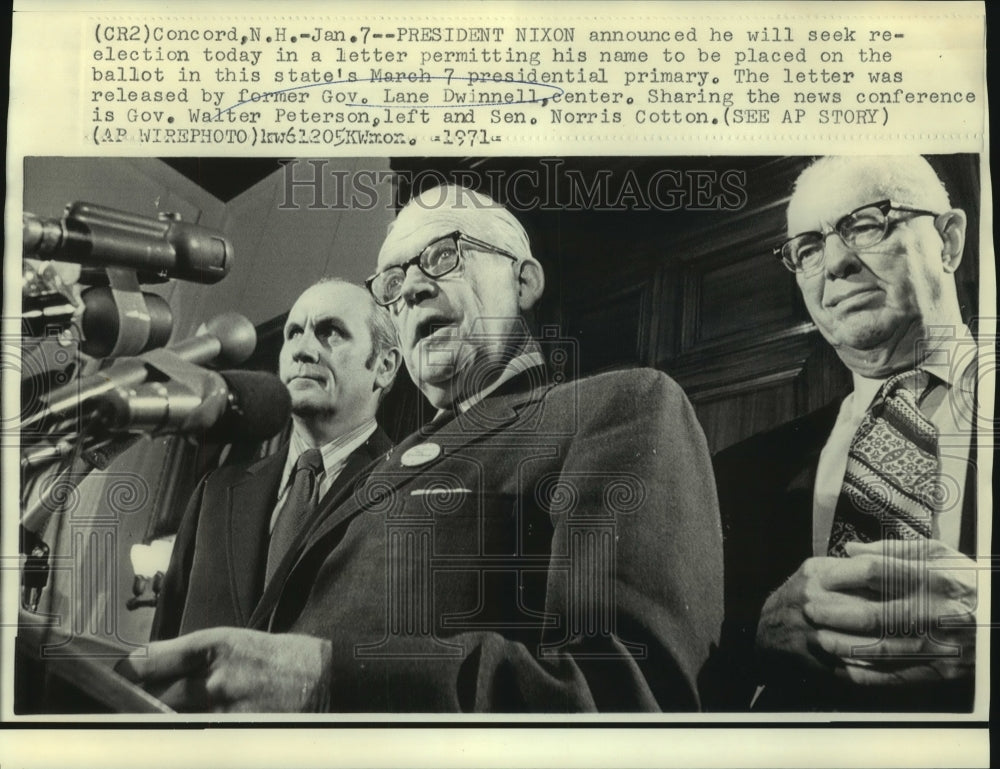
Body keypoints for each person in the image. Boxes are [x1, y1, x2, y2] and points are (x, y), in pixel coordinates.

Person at [120, 185, 724, 713]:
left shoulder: (620, 407)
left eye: (442, 255)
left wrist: (330, 682)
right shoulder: (378, 466)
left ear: (524, 279)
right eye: (391, 280)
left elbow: (628, 697)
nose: (409, 288)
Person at [709, 156, 980, 711]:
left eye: (865, 224)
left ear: (948, 241)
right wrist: (759, 637)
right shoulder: (742, 472)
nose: (834, 263)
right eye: (808, 248)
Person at [150, 278, 400, 639]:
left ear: (385, 365)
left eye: (330, 332)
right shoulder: (215, 492)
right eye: (294, 333)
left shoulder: (409, 492)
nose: (303, 350)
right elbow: (163, 644)